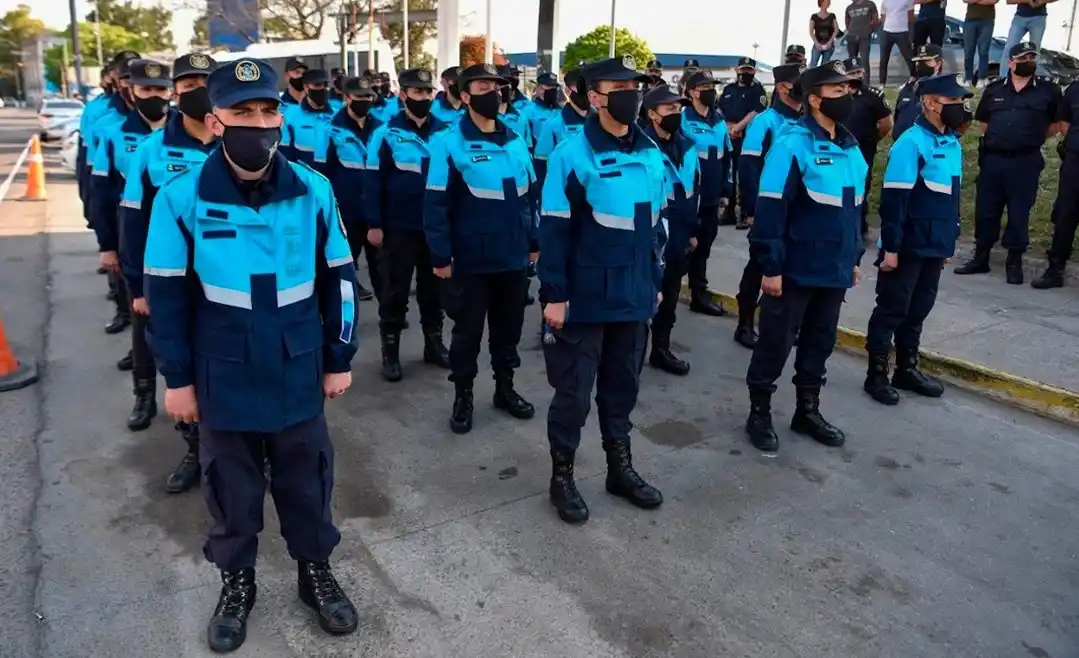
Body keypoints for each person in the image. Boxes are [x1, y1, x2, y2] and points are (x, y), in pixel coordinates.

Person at [143, 58, 360, 652]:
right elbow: (165, 295)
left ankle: (315, 573)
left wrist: (340, 357)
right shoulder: (179, 197)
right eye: (243, 113)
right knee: (231, 489)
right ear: (215, 122)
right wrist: (178, 379)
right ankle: (237, 583)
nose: (259, 123)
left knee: (307, 481)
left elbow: (339, 279)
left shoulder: (313, 189)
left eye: (269, 111)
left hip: (298, 365)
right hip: (223, 373)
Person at [538, 55, 666, 525]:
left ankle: (620, 468)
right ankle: (563, 475)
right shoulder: (571, 155)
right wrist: (554, 294)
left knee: (622, 387)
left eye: (635, 85)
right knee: (573, 393)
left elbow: (656, 226)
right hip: (585, 298)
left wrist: (654, 281)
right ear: (595, 97)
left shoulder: (650, 151)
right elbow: (553, 230)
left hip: (633, 294)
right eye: (621, 86)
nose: (632, 93)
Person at [744, 60, 866, 455]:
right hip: (795, 269)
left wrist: (854, 258)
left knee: (820, 342)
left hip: (833, 268)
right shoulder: (792, 144)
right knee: (776, 343)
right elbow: (770, 209)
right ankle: (759, 412)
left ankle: (807, 409)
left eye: (847, 90)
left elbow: (854, 211)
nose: (846, 97)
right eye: (837, 91)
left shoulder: (850, 146)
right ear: (814, 99)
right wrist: (771, 265)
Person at [117, 53, 217, 494]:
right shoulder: (151, 151)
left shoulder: (239, 139)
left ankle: (243, 449)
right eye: (188, 83)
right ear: (176, 90)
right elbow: (133, 221)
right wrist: (138, 287)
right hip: (174, 283)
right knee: (181, 366)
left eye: (206, 82)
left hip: (229, 282)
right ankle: (196, 448)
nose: (197, 90)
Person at [424, 63, 538, 434]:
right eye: (483, 85)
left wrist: (534, 243)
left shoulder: (516, 139)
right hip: (470, 259)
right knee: (467, 334)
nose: (493, 91)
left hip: (513, 256)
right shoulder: (448, 141)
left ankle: (505, 389)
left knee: (509, 331)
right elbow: (436, 204)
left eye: (497, 85)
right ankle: (464, 395)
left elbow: (529, 197)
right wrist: (440, 256)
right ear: (465, 94)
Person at [865, 74, 971, 404]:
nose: (960, 107)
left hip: (933, 244)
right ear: (929, 103)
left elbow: (952, 196)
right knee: (892, 309)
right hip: (908, 245)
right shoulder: (910, 143)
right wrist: (891, 248)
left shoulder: (952, 142)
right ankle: (877, 374)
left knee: (919, 309)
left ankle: (906, 368)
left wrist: (949, 239)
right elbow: (895, 200)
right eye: (952, 102)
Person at [365, 67, 451, 382]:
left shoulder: (446, 132)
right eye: (417, 92)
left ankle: (433, 344)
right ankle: (390, 351)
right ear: (403, 95)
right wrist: (375, 224)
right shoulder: (385, 133)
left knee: (434, 290)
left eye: (428, 92)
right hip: (398, 226)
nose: (424, 98)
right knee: (395, 290)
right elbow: (373, 182)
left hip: (435, 226)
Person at [955, 42, 1062, 284]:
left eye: (1032, 57)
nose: (1028, 61)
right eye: (1023, 58)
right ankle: (981, 256)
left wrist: (1030, 138)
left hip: (1026, 160)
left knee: (1019, 212)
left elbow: (1056, 125)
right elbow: (983, 123)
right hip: (994, 159)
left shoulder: (1048, 91)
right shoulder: (994, 90)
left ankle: (1014, 261)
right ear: (1011, 62)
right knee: (986, 210)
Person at [91, 59, 174, 344]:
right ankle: (143, 373)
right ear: (131, 91)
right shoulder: (113, 132)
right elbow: (100, 191)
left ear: (170, 92)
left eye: (160, 89)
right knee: (140, 304)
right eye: (145, 88)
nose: (154, 95)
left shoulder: (189, 132)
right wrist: (107, 245)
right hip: (133, 229)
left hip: (178, 235)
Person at [734, 63, 805, 350]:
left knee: (790, 269)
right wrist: (751, 211)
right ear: (781, 86)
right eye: (796, 82)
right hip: (768, 210)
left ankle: (782, 325)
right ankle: (744, 323)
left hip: (797, 213)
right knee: (759, 267)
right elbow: (749, 168)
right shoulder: (766, 121)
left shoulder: (807, 122)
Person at [641, 84, 699, 376]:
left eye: (678, 109)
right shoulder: (639, 147)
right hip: (648, 236)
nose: (676, 114)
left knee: (670, 297)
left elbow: (692, 190)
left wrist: (692, 231)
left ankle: (660, 349)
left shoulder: (687, 146)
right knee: (642, 297)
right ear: (652, 114)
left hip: (677, 235)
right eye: (669, 109)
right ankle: (629, 358)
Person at [313, 76, 383, 303]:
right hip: (346, 211)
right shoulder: (329, 131)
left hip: (375, 209)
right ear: (346, 98)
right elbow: (321, 174)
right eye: (359, 97)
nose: (365, 101)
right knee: (343, 266)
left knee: (383, 268)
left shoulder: (381, 129)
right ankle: (339, 314)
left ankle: (389, 316)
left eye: (368, 96)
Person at [88, 54, 141, 333]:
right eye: (127, 79)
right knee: (128, 284)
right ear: (117, 82)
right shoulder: (106, 124)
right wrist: (105, 240)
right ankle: (125, 316)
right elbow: (98, 185)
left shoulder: (174, 124)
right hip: (124, 214)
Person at [682, 69, 732, 317]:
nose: (711, 91)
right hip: (689, 197)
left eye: (713, 86)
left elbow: (726, 157)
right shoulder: (683, 119)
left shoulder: (719, 121)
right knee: (681, 247)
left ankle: (698, 293)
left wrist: (726, 190)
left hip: (712, 197)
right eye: (705, 87)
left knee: (703, 247)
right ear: (692, 92)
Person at [1033, 79, 1079, 288]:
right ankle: (1055, 269)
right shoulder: (1075, 88)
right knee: (1065, 215)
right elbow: (1064, 122)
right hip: (1075, 161)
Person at [842, 56, 893, 236]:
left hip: (864, 149)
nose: (857, 76)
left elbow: (886, 123)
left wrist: (874, 139)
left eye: (859, 72)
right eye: (853, 73)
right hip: (839, 150)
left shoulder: (873, 95)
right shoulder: (838, 94)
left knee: (861, 186)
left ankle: (859, 226)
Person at [718, 57, 768, 229]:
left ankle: (747, 213)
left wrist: (738, 127)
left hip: (748, 138)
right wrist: (728, 128)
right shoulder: (728, 89)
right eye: (743, 69)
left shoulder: (758, 90)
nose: (745, 73)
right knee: (729, 175)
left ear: (754, 71)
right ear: (737, 70)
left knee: (747, 178)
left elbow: (757, 111)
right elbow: (720, 110)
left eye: (749, 70)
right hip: (729, 136)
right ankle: (730, 211)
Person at [534, 68, 591, 187]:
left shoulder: (602, 121)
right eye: (580, 87)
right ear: (568, 91)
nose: (586, 92)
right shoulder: (554, 124)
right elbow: (541, 164)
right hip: (567, 195)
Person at [279, 68, 335, 166]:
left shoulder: (338, 116)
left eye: (325, 85)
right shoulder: (290, 116)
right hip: (303, 179)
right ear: (305, 87)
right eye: (317, 85)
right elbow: (285, 157)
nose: (322, 89)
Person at [892, 43, 944, 139]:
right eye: (919, 61)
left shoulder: (946, 91)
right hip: (903, 145)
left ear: (938, 64)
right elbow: (897, 117)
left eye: (926, 61)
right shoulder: (908, 88)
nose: (921, 65)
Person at [1000, 0, 1058, 74]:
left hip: (1038, 18)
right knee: (1009, 49)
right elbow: (1009, 1)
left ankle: (1031, 81)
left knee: (1035, 51)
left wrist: (1040, 2)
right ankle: (1003, 79)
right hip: (1019, 18)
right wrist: (1030, 1)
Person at [879, 0, 916, 86]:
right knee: (884, 59)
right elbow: (883, 17)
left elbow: (911, 17)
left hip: (902, 32)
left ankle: (913, 77)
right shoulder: (885, 2)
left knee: (909, 57)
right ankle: (882, 84)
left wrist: (910, 33)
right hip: (887, 32)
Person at [964, 0, 999, 87]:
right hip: (970, 20)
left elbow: (993, 1)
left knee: (983, 51)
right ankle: (968, 79)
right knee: (968, 51)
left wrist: (975, 1)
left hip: (987, 20)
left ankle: (981, 78)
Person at [525, 72, 563, 150]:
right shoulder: (528, 111)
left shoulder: (562, 112)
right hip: (537, 159)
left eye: (553, 89)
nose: (550, 92)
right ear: (538, 88)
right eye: (546, 89)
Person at [845, 0, 879, 84]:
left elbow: (875, 19)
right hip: (852, 37)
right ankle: (853, 84)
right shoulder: (849, 7)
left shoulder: (870, 4)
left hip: (864, 36)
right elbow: (847, 22)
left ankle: (865, 85)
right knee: (852, 62)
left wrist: (871, 30)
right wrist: (851, 31)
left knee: (864, 61)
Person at [496, 64, 532, 144]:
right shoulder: (483, 118)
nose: (505, 86)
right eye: (501, 83)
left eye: (508, 82)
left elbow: (528, 146)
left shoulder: (521, 116)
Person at [811, 0, 840, 66]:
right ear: (822, 2)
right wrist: (816, 43)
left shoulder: (832, 16)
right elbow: (811, 32)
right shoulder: (814, 16)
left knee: (825, 66)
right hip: (817, 43)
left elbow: (836, 30)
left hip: (829, 44)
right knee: (813, 64)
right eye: (827, 1)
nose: (829, 2)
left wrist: (830, 42)